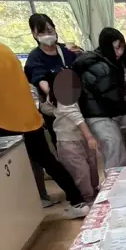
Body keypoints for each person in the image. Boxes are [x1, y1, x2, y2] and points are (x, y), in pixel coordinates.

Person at [0, 39, 88, 218]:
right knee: (48, 161)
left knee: (15, 167)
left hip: (5, 122)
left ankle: (24, 211)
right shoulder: (4, 49)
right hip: (30, 117)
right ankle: (77, 200)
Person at [73, 27, 126, 170]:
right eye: (116, 48)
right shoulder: (99, 66)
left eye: (121, 48)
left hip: (108, 111)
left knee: (124, 142)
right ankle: (115, 186)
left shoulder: (113, 62)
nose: (119, 52)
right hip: (98, 115)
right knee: (115, 148)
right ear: (106, 47)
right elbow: (113, 101)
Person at [44, 69, 100, 204]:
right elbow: (76, 117)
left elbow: (47, 108)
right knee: (81, 173)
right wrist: (89, 137)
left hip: (80, 138)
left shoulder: (72, 95)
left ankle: (94, 195)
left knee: (91, 169)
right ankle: (88, 200)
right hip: (68, 140)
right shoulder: (62, 97)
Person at [23, 13, 80, 141]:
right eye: (41, 33)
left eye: (49, 30)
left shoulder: (67, 51)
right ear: (34, 34)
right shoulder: (35, 57)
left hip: (78, 104)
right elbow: (40, 80)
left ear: (54, 29)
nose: (47, 35)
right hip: (58, 111)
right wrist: (54, 94)